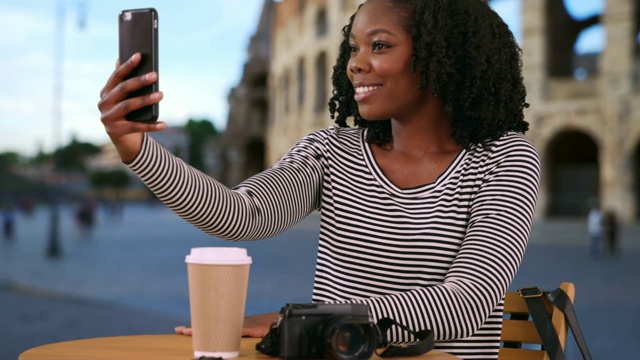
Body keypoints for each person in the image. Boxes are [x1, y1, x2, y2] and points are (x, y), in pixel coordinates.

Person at [97, 0, 540, 358]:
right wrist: (137, 149)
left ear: (443, 53)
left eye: (380, 46)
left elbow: (469, 298)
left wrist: (315, 319)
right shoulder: (331, 150)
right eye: (353, 48)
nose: (356, 65)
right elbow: (241, 215)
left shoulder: (504, 158)